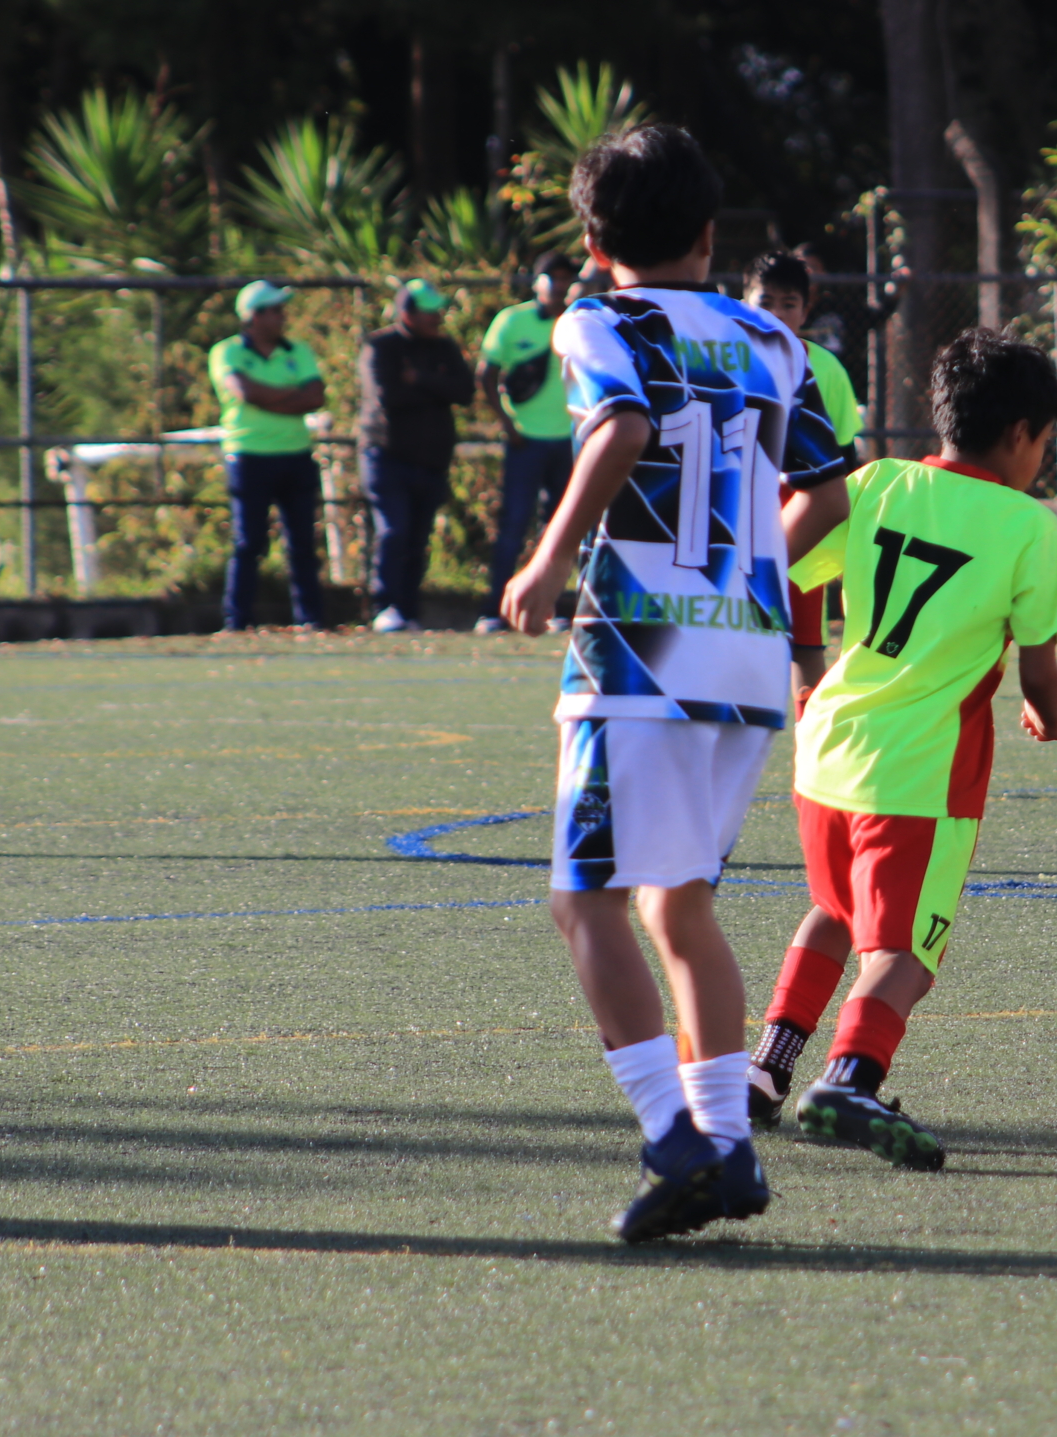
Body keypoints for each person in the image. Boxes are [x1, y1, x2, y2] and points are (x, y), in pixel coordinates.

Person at [495, 124, 851, 1242]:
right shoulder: (772, 338)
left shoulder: (596, 320)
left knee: (584, 899)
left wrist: (548, 558)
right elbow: (827, 494)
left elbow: (624, 423)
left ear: (594, 245)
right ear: (709, 233)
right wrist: (744, 578)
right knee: (677, 902)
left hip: (638, 653)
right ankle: (728, 1149)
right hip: (746, 659)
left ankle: (673, 1134)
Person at [741, 328, 1057, 1171]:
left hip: (830, 743)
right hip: (920, 770)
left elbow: (793, 569)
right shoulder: (1026, 524)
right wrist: (1047, 713)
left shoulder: (876, 480)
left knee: (835, 909)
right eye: (1045, 440)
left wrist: (805, 663)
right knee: (904, 956)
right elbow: (1038, 666)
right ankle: (850, 1077)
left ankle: (767, 1067)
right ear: (1021, 434)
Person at [744, 249, 864, 696]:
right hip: (736, 518)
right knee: (729, 634)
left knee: (805, 645)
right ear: (743, 302)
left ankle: (811, 731)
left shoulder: (825, 368)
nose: (776, 313)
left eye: (789, 303)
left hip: (803, 517)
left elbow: (844, 457)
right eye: (765, 301)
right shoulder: (721, 362)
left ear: (806, 310)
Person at [357, 279, 476, 633]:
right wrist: (437, 387)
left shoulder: (444, 348)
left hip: (431, 459)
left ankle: (408, 611)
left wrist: (420, 379)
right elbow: (388, 396)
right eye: (429, 312)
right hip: (387, 456)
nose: (437, 318)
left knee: (417, 539)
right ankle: (384, 606)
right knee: (394, 531)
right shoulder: (381, 347)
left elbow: (464, 391)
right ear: (407, 314)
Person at [476, 250, 586, 634]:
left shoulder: (579, 322)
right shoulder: (513, 320)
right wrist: (508, 425)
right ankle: (495, 611)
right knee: (513, 524)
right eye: (552, 277)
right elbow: (487, 375)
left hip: (568, 443)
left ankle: (550, 609)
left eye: (565, 278)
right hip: (525, 442)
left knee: (561, 529)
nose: (559, 285)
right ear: (536, 281)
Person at [208, 280, 327, 631]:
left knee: (302, 543)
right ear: (253, 316)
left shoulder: (298, 350)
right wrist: (291, 396)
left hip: (295, 455)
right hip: (249, 457)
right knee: (249, 542)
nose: (282, 316)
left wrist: (267, 397)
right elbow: (244, 392)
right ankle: (237, 620)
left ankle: (310, 619)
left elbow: (315, 397)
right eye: (275, 310)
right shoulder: (227, 352)